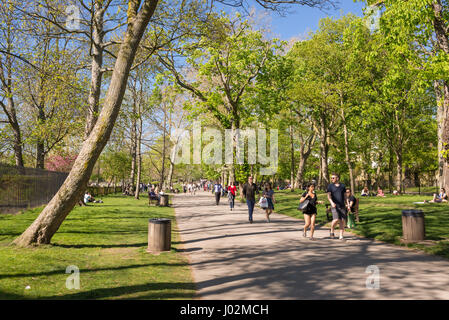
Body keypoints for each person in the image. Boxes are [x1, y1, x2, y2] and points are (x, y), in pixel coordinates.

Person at [327, 173, 347, 240]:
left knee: (342, 220)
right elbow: (329, 196)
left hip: (342, 205)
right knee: (336, 219)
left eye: (333, 178)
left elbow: (345, 196)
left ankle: (341, 236)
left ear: (337, 178)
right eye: (331, 178)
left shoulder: (342, 186)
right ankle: (332, 229)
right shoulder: (330, 186)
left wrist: (348, 204)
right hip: (334, 205)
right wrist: (332, 203)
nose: (332, 179)